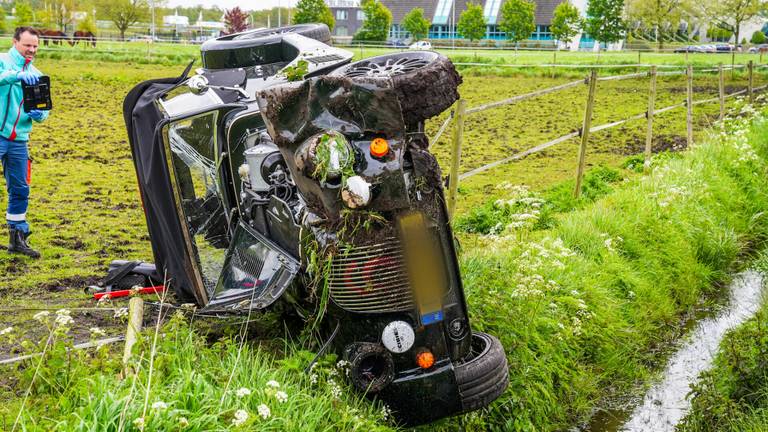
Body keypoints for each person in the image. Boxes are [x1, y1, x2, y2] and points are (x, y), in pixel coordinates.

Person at [0, 27, 49, 258]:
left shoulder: (37, 74)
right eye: (27, 45)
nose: (31, 50)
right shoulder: (2, 62)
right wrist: (14, 76)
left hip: (19, 140)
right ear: (15, 42)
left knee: (20, 189)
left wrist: (40, 114)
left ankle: (17, 238)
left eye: (35, 46)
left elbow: (44, 107)